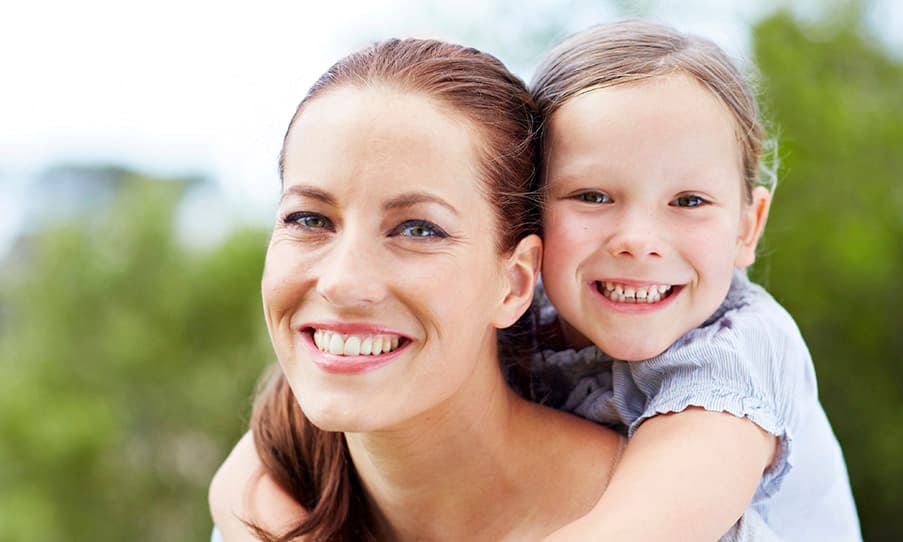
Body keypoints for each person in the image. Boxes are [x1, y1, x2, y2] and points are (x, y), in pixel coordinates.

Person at [210, 36, 777, 542]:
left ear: (515, 282)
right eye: (309, 219)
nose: (342, 282)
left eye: (418, 229)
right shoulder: (283, 499)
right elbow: (243, 472)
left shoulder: (728, 376)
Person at [517, 20, 862, 541]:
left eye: (688, 202)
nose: (638, 239)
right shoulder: (515, 316)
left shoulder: (742, 350)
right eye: (592, 196)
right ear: (529, 209)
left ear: (748, 226)